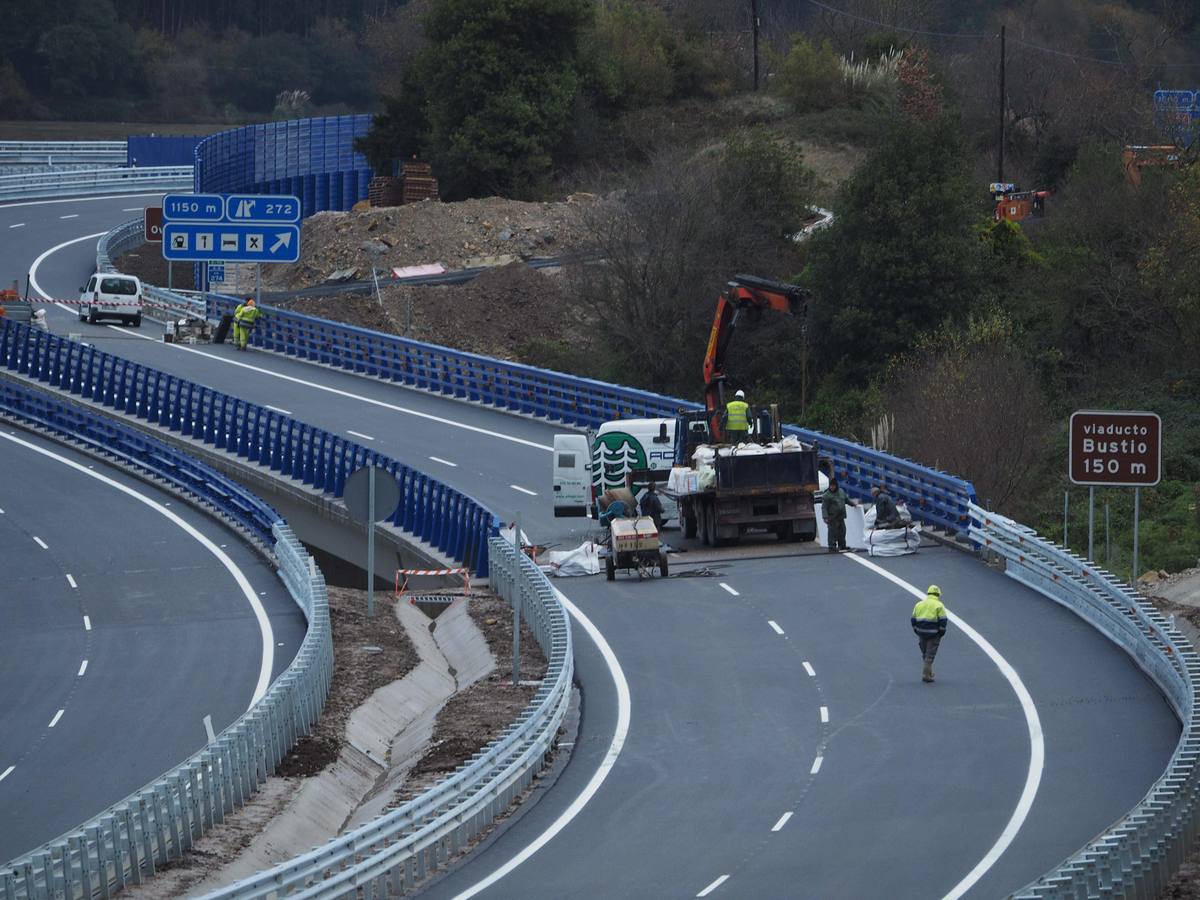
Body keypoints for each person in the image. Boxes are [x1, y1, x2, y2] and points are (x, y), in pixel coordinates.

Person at [911, 584, 948, 683]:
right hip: (934, 633)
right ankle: (926, 676)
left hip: (921, 633)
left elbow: (913, 619)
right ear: (938, 595)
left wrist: (916, 630)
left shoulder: (919, 604)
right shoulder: (939, 605)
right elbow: (943, 620)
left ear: (928, 593)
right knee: (930, 655)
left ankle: (929, 672)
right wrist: (941, 631)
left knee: (925, 653)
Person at [822, 477, 852, 552]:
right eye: (831, 486)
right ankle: (832, 547)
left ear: (836, 486)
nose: (832, 487)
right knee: (832, 532)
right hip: (832, 517)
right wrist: (825, 517)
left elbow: (846, 500)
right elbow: (824, 507)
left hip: (841, 516)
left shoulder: (841, 491)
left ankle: (842, 546)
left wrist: (853, 504)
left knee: (842, 531)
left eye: (833, 486)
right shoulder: (826, 495)